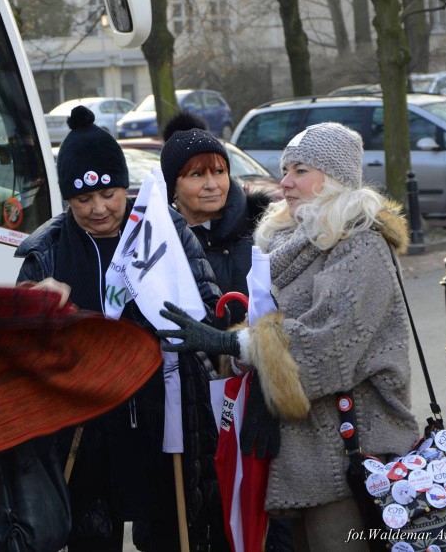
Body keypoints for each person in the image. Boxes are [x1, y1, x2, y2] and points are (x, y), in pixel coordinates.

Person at [157, 122, 419, 552]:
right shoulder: (290, 242)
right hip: (304, 453)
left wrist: (233, 343)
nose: (285, 182)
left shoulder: (362, 245)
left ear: (333, 177)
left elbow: (331, 346)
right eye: (285, 169)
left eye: (300, 170)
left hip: (352, 454)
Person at [10, 106, 228, 552]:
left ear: (123, 186)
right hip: (85, 426)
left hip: (163, 413)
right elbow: (22, 346)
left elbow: (205, 309)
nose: (98, 209)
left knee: (170, 532)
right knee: (91, 536)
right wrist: (38, 310)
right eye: (82, 200)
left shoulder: (165, 231)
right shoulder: (47, 251)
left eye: (108, 193)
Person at [160, 111, 272, 325]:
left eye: (219, 171)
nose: (212, 184)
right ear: (173, 186)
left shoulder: (263, 228)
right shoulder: (162, 241)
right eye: (197, 174)